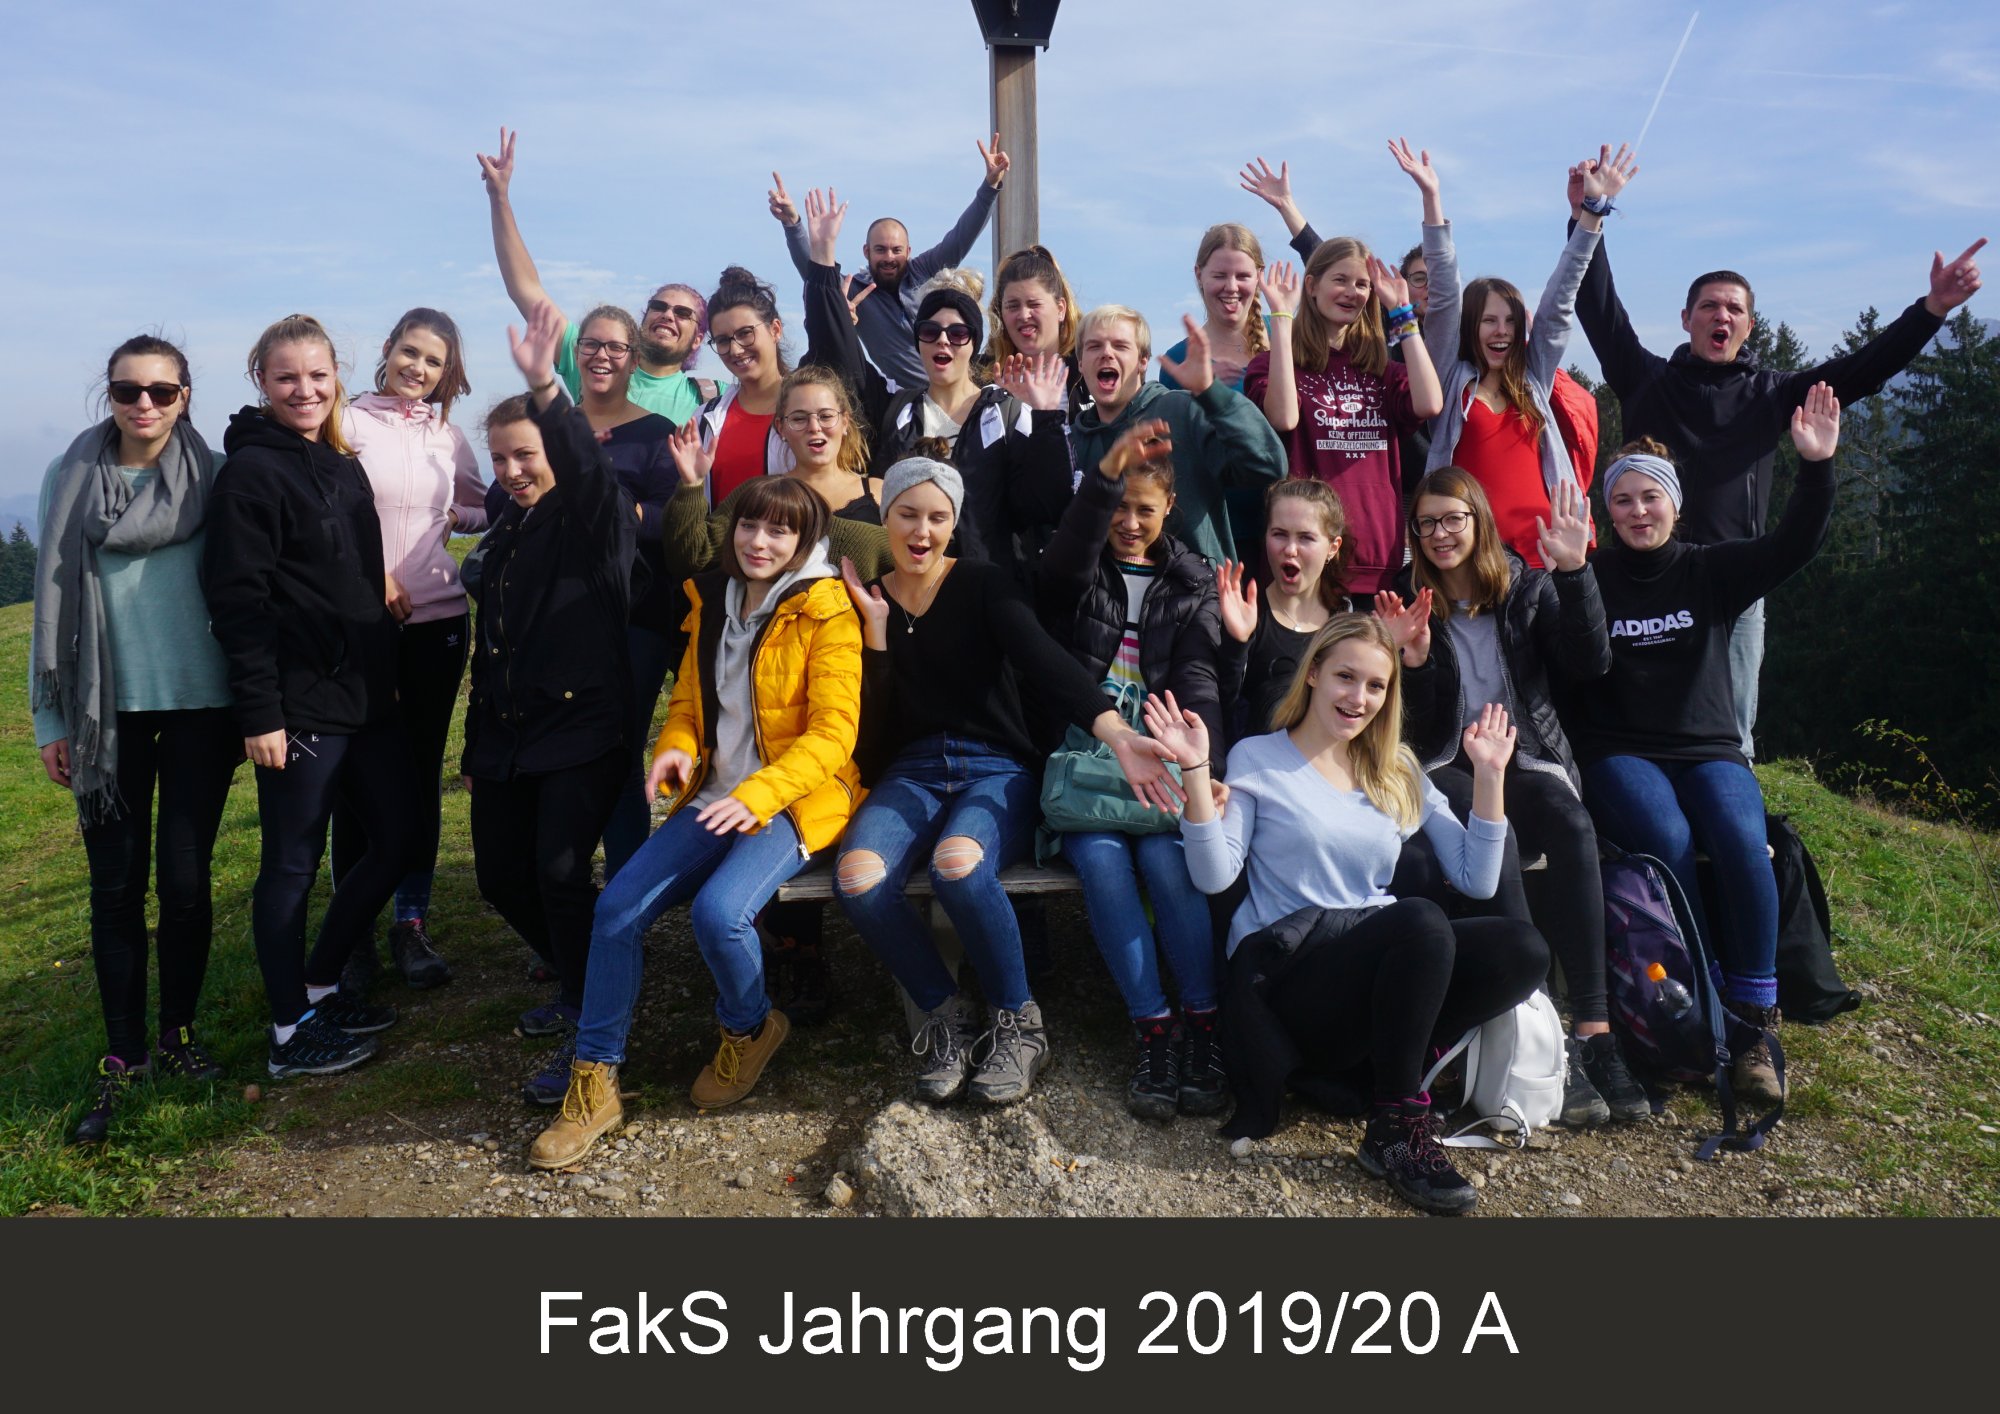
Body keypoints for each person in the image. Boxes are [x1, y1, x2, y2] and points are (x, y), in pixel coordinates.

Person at [1569, 142, 1985, 756]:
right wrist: (1588, 217)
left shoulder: (1773, 393)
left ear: (1748, 325)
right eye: (1709, 305)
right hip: (1645, 576)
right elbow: (1597, 307)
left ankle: (1731, 800)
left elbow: (1863, 370)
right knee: (1625, 721)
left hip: (1735, 580)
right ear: (1685, 318)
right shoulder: (1646, 379)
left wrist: (1931, 311)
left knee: (1732, 732)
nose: (1721, 315)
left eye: (1734, 308)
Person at [1146, 618, 1546, 1215]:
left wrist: (1489, 776)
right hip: (1289, 979)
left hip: (1372, 966)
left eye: (1376, 686)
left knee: (1523, 950)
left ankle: (1394, 1071)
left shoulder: (1396, 768)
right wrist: (1196, 772)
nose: (1359, 698)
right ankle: (1397, 1124)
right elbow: (1213, 875)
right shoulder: (1260, 757)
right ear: (1313, 674)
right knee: (1420, 922)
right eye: (1345, 677)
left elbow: (1477, 878)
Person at [530, 475, 865, 1169]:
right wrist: (676, 748)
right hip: (715, 794)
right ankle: (595, 1078)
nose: (759, 541)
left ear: (805, 541)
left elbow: (834, 735)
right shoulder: (710, 600)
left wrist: (760, 794)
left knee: (719, 915)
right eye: (749, 525)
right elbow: (687, 703)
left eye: (779, 531)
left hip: (794, 799)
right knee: (616, 909)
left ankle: (749, 1028)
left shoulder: (827, 611)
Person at [833, 454, 1182, 1106]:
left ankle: (1018, 1021)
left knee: (958, 867)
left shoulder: (984, 584)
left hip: (995, 767)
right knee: (857, 880)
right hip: (910, 772)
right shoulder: (867, 600)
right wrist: (877, 638)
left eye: (938, 517)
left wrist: (1116, 733)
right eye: (908, 514)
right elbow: (871, 739)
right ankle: (945, 1013)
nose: (922, 531)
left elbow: (1046, 662)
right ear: (886, 518)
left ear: (954, 523)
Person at [1568, 385, 1845, 1106]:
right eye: (1623, 500)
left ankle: (1754, 1022)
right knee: (1667, 837)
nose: (1638, 512)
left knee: (1743, 840)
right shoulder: (1591, 577)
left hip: (1708, 748)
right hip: (1618, 748)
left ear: (1675, 504)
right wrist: (1566, 572)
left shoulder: (1710, 569)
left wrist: (1816, 467)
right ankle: (1703, 1006)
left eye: (1650, 498)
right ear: (1607, 511)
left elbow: (1794, 544)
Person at [1375, 468, 1644, 1126]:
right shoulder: (1408, 600)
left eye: (1452, 519)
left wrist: (1576, 574)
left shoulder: (1526, 588)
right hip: (1448, 763)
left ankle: (1596, 1031)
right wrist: (1413, 660)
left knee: (1571, 825)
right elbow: (1413, 733)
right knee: (1495, 835)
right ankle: (1537, 1024)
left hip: (1526, 755)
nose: (1439, 535)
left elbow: (1589, 663)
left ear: (1479, 520)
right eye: (1426, 524)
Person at [31, 335, 239, 1142]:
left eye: (160, 390)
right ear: (109, 395)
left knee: (185, 884)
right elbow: (50, 597)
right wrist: (52, 721)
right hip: (102, 718)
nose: (143, 404)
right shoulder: (69, 476)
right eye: (128, 390)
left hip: (201, 708)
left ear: (185, 395)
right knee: (115, 889)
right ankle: (125, 1055)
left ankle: (178, 1035)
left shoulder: (215, 474)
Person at [203, 315, 413, 1078]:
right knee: (292, 864)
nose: (305, 390)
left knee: (400, 839)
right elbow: (238, 602)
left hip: (365, 695)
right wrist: (260, 712)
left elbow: (356, 572)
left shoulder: (339, 462)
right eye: (287, 377)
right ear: (261, 379)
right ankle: (289, 1031)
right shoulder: (251, 474)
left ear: (337, 377)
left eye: (318, 375)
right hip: (298, 704)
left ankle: (321, 983)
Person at [461, 300, 638, 1106]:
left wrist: (547, 389)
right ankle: (584, 972)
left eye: (525, 454)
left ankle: (592, 1013)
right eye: (500, 457)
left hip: (582, 728)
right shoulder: (508, 526)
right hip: (507, 734)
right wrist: (477, 746)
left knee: (561, 874)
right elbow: (491, 640)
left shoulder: (594, 518)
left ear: (557, 451)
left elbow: (591, 473)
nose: (512, 471)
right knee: (501, 877)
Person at [1034, 417, 1228, 1121]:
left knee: (1170, 867)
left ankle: (1203, 1024)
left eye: (1145, 509)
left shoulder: (1193, 577)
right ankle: (1153, 1027)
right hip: (1092, 748)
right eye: (1119, 507)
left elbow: (1200, 674)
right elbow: (1063, 565)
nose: (1129, 522)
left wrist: (1205, 761)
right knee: (1103, 864)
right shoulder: (1080, 566)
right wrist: (1102, 482)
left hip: (1164, 746)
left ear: (1170, 507)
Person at [796, 187, 1073, 581]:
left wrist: (1045, 419)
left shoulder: (1006, 410)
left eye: (958, 333)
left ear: (974, 343)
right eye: (930, 331)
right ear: (919, 342)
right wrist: (823, 259)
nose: (943, 341)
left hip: (987, 586)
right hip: (908, 585)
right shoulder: (896, 410)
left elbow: (1045, 505)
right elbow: (839, 355)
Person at [333, 308, 486, 993]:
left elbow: (490, 506)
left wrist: (455, 515)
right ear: (388, 348)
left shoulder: (448, 437)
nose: (418, 368)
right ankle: (354, 930)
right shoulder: (346, 422)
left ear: (447, 373)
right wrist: (372, 575)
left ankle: (411, 923)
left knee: (420, 772)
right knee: (355, 777)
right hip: (361, 622)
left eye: (434, 361)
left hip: (437, 622)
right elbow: (325, 514)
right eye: (411, 352)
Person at [1244, 143, 1446, 601]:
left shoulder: (1380, 367)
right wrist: (1281, 319)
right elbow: (1283, 418)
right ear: (1312, 286)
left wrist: (1403, 314)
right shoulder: (1274, 362)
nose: (1352, 292)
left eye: (1362, 284)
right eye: (1340, 280)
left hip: (1378, 559)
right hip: (1305, 563)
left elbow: (1430, 402)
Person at [1415, 146, 1635, 565]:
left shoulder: (1534, 379)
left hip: (1545, 556)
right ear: (1470, 327)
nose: (1502, 331)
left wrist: (1592, 213)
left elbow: (1561, 297)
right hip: (1474, 560)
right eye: (1489, 321)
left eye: (1511, 321)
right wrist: (1432, 198)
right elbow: (1443, 296)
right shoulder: (1450, 380)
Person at [543, 302, 682, 883]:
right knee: (563, 751)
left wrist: (607, 503)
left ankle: (626, 893)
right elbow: (507, 498)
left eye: (616, 347)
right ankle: (567, 890)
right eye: (591, 345)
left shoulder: (657, 434)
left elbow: (674, 520)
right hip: (557, 617)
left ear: (634, 358)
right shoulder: (549, 428)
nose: (602, 356)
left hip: (634, 617)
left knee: (620, 752)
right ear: (576, 355)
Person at [478, 127, 719, 424]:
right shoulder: (596, 360)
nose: (668, 315)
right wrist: (499, 197)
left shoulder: (713, 398)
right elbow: (526, 289)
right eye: (659, 306)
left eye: (683, 313)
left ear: (698, 339)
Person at [771, 137, 1007, 390]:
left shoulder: (924, 270)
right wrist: (792, 224)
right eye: (880, 250)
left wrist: (990, 185)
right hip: (913, 399)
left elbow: (961, 237)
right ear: (866, 252)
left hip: (964, 386)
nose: (889, 258)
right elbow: (817, 273)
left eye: (896, 250)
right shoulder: (857, 293)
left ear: (908, 251)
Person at [1068, 307, 1287, 567]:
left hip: (1198, 587)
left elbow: (1268, 465)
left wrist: (1212, 393)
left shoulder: (1182, 411)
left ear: (1143, 361)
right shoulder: (1072, 443)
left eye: (1120, 346)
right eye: (1094, 346)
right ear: (1080, 362)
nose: (1106, 353)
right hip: (1107, 591)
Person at [1216, 477, 1348, 737]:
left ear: (1333, 547)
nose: (1290, 549)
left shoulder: (1346, 621)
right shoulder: (1244, 612)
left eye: (1306, 538)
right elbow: (1220, 710)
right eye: (1279, 534)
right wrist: (1236, 644)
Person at [688, 268, 795, 505]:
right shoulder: (704, 419)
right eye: (723, 340)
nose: (735, 350)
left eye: (745, 334)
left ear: (775, 330)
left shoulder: (811, 412)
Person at [987, 244, 1087, 417]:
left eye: (1034, 304)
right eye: (1013, 306)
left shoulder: (1088, 371)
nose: (1024, 315)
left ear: (1060, 309)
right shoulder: (984, 379)